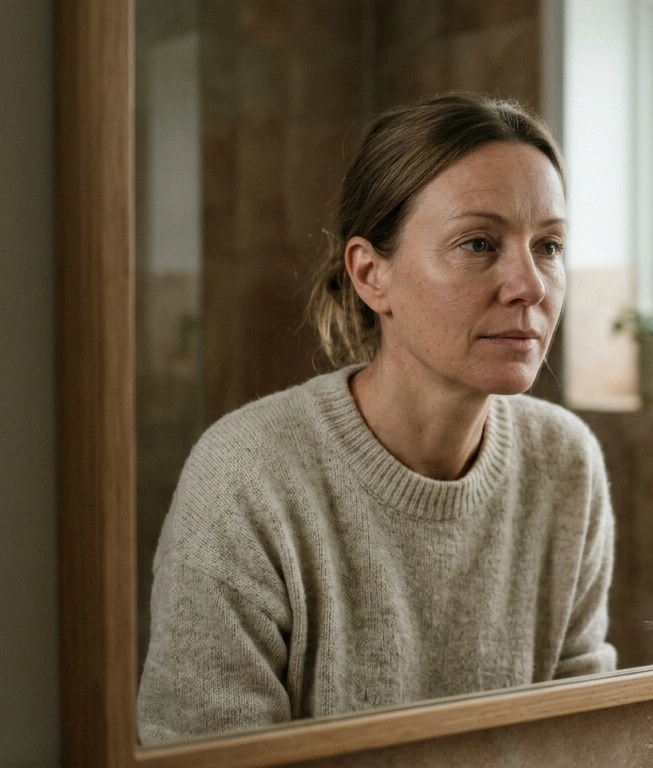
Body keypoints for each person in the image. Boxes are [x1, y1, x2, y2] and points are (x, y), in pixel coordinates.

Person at [138, 93, 616, 744]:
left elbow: (587, 735)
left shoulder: (565, 461)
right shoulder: (248, 477)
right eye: (479, 243)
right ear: (371, 274)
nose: (529, 284)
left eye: (550, 246)